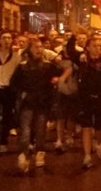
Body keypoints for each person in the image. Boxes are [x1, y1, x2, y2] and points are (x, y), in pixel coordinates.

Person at [11, 37, 68, 172]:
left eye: (41, 47)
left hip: (43, 102)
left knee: (41, 129)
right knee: (25, 130)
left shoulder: (48, 66)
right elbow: (14, 83)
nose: (39, 49)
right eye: (36, 47)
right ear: (30, 49)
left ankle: (40, 153)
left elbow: (65, 70)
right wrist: (22, 94)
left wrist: (58, 79)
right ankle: (24, 154)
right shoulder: (23, 66)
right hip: (28, 102)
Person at [68, 33, 101, 169]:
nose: (97, 48)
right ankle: (87, 156)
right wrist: (74, 35)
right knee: (86, 127)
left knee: (99, 128)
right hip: (85, 98)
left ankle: (99, 143)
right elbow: (70, 51)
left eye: (100, 45)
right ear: (88, 47)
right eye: (94, 46)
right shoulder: (83, 59)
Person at [0, 31, 21, 154]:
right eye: (4, 38)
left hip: (8, 88)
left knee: (7, 115)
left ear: (12, 40)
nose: (6, 40)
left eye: (9, 38)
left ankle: (3, 141)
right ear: (0, 40)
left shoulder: (16, 54)